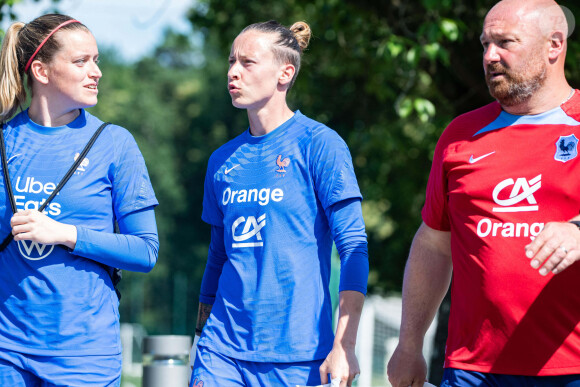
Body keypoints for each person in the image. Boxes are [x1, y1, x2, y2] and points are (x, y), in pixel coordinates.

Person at [386, 0, 580, 386]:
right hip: (473, 369)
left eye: (506, 42)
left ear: (554, 45)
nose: (490, 56)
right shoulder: (460, 134)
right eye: (485, 43)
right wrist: (409, 344)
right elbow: (434, 244)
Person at [189, 20, 369, 387]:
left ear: (285, 73)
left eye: (247, 63)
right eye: (230, 62)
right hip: (221, 351)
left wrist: (344, 345)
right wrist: (200, 331)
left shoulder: (320, 144)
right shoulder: (222, 160)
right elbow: (218, 255)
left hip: (300, 356)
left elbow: (353, 247)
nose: (233, 72)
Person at [0, 14, 159, 386]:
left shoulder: (115, 144)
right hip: (7, 354)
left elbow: (145, 251)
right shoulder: (5, 140)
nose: (96, 72)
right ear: (41, 70)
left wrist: (66, 234)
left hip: (84, 357)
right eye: (80, 61)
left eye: (97, 60)